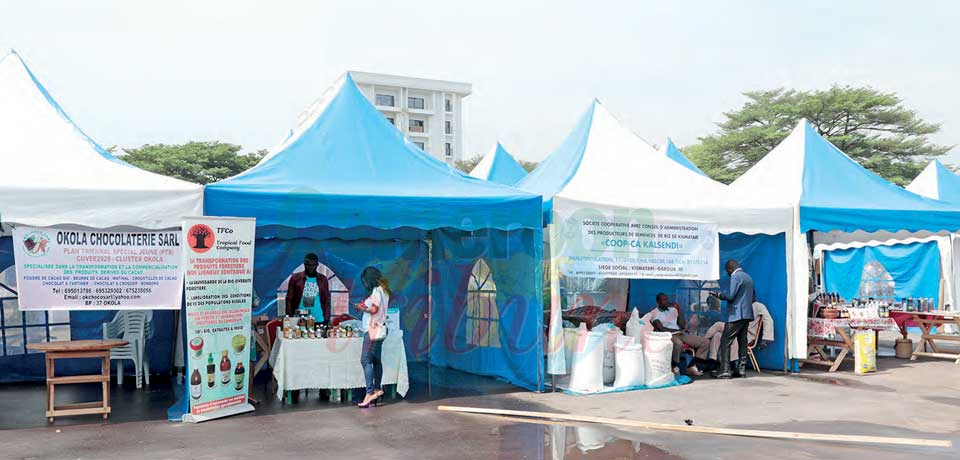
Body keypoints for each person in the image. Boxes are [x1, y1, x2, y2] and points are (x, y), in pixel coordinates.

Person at [644, 293, 709, 376]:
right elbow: (661, 329)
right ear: (658, 302)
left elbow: (682, 325)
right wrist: (678, 330)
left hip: (679, 334)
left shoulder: (673, 310)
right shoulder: (654, 313)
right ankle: (675, 366)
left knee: (705, 342)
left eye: (667, 299)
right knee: (678, 344)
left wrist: (678, 309)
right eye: (664, 300)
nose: (667, 302)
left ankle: (692, 367)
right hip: (667, 335)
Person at [710, 259, 755, 379]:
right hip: (746, 314)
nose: (728, 274)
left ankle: (725, 370)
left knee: (725, 340)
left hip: (736, 314)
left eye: (727, 271)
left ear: (730, 269)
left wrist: (719, 295)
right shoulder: (748, 277)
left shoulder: (735, 277)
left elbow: (730, 296)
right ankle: (741, 369)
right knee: (742, 341)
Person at [705, 292, 774, 363]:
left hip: (747, 334)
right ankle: (712, 360)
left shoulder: (759, 306)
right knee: (717, 335)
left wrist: (765, 339)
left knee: (718, 325)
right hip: (735, 330)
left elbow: (768, 320)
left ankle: (704, 341)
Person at [356, 266, 390, 408]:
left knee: (365, 360)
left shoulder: (376, 290)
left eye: (365, 281)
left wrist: (362, 308)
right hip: (381, 328)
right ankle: (377, 389)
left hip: (372, 330)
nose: (364, 284)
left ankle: (369, 393)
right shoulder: (384, 291)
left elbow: (374, 309)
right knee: (376, 360)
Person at [285, 253, 331, 324]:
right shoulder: (295, 278)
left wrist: (327, 318)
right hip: (300, 319)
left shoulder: (323, 279)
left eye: (313, 265)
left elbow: (327, 300)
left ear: (317, 265)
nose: (310, 267)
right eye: (308, 265)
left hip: (318, 318)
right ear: (304, 264)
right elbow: (289, 299)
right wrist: (289, 318)